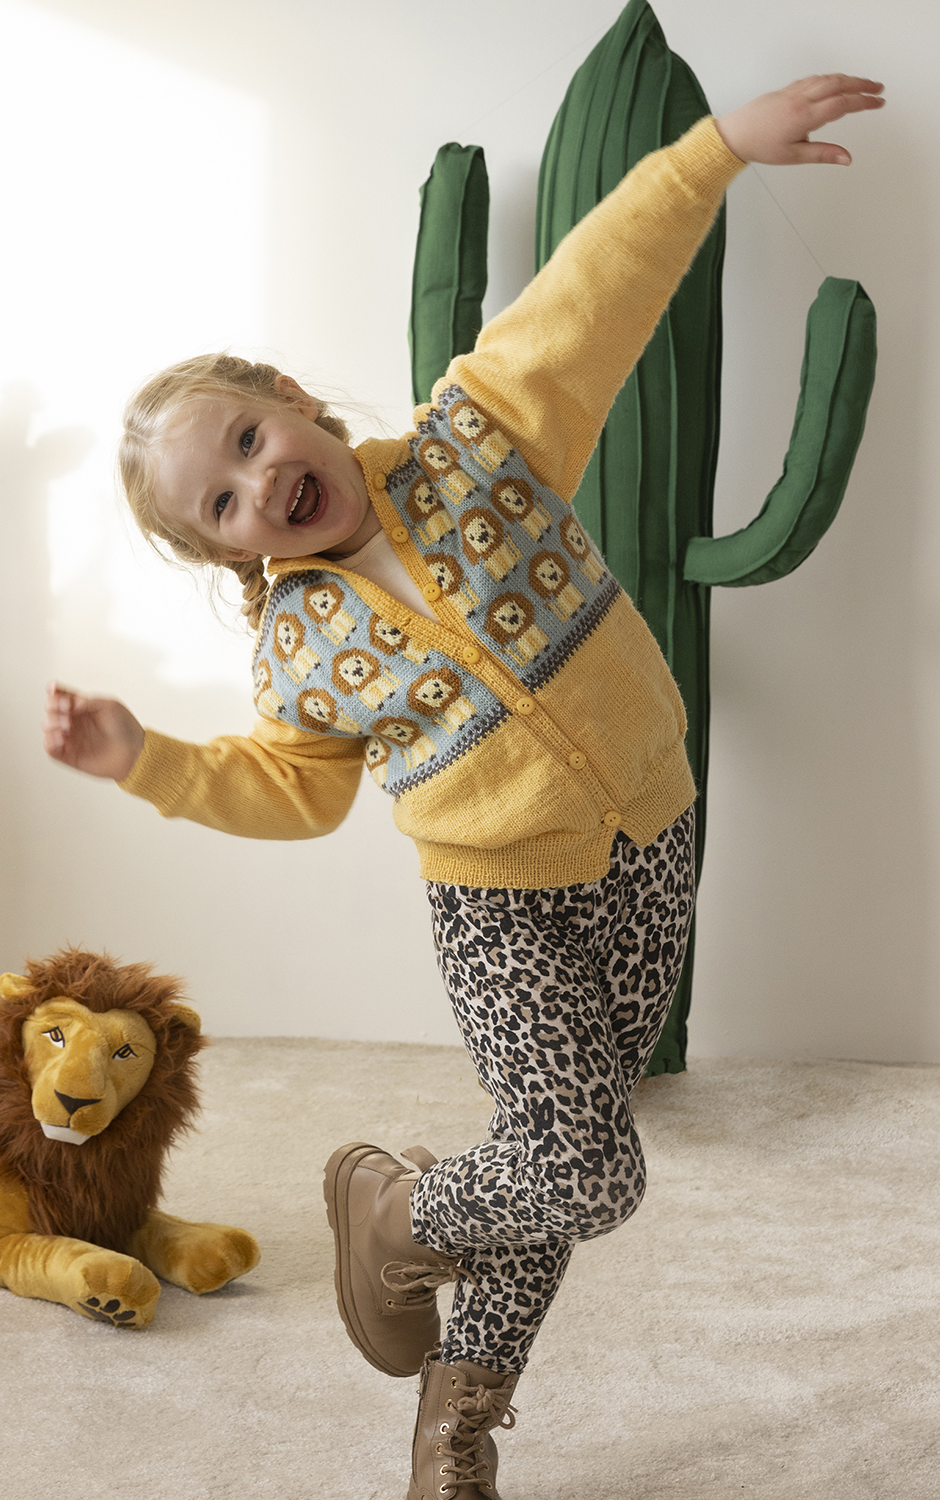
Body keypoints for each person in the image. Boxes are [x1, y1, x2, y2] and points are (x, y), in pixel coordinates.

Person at [44, 75, 884, 1499]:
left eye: (248, 442)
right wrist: (150, 763)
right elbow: (296, 792)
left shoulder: (476, 441)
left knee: (556, 1157)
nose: (258, 487)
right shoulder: (299, 648)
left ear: (294, 401)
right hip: (499, 909)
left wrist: (711, 153)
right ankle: (393, 1214)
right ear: (234, 556)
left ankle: (458, 1417)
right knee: (587, 1171)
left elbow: (591, 295)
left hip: (649, 841)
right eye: (222, 507)